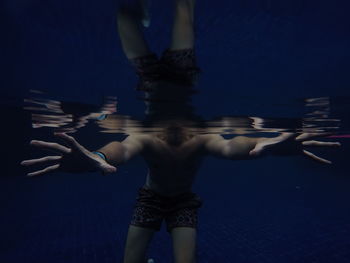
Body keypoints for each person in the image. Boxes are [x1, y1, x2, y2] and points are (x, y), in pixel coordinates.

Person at [21, 1, 342, 263]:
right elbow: (122, 149)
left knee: (132, 14)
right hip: (153, 192)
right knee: (175, 10)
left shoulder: (200, 137)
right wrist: (96, 157)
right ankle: (140, 11)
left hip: (182, 200)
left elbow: (232, 147)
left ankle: (138, 11)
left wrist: (268, 144)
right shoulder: (147, 135)